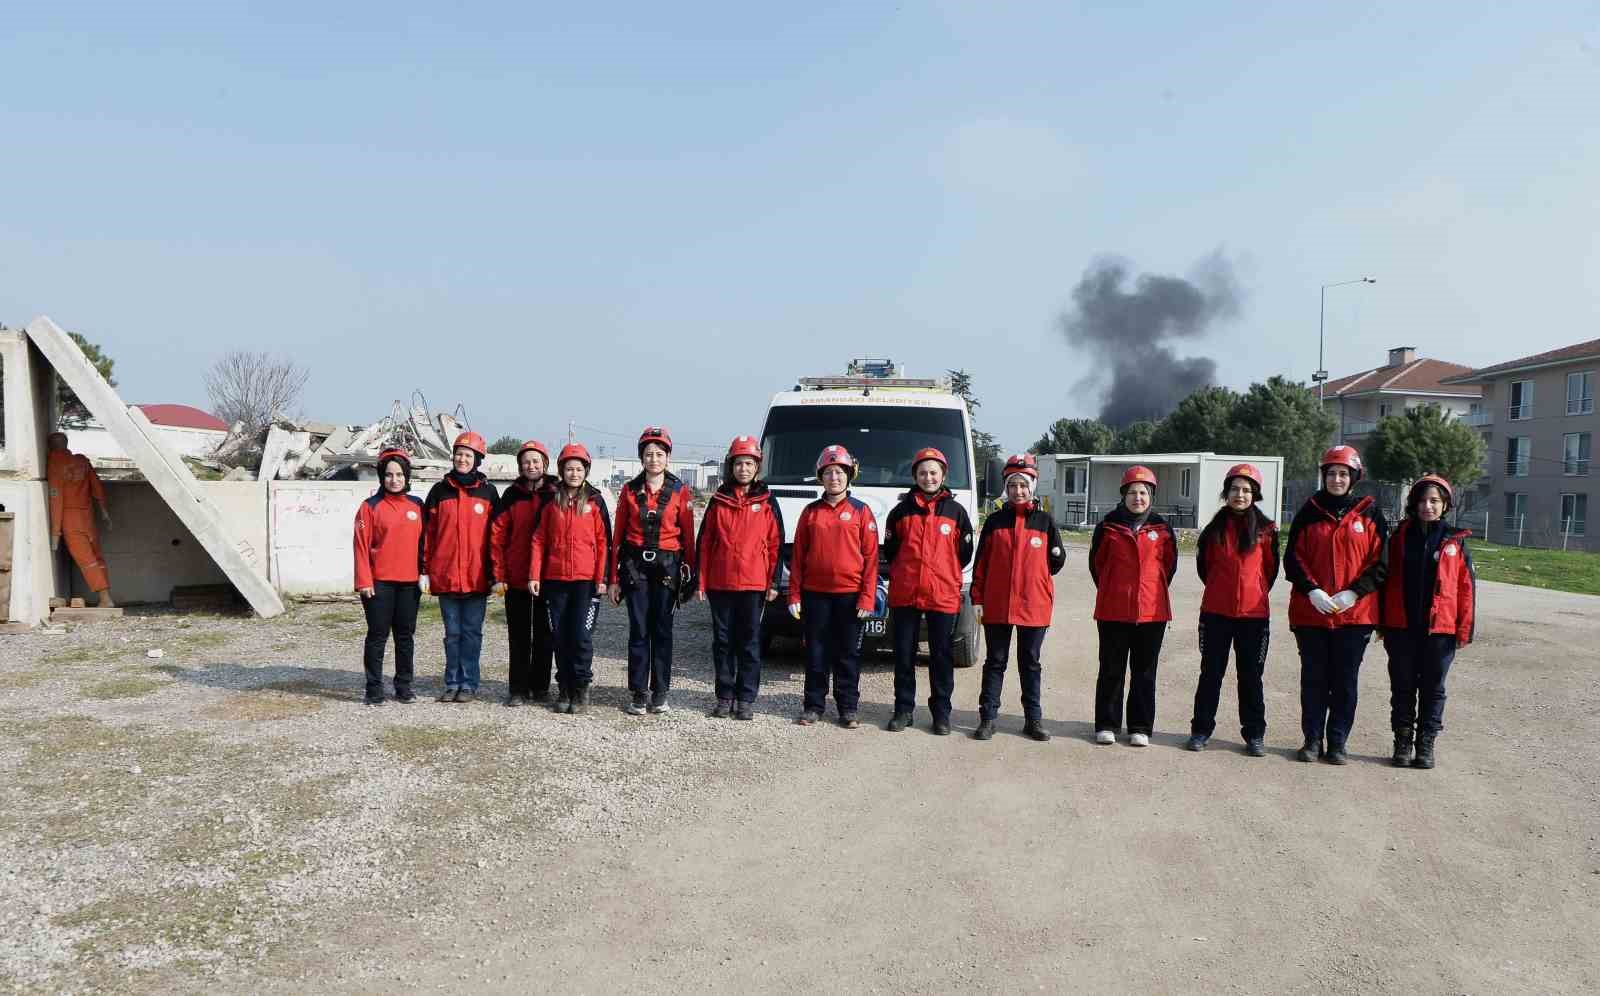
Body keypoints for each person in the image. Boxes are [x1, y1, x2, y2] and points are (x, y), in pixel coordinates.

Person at [1283, 445, 1389, 765]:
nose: (1337, 479)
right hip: (1311, 614)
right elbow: (1293, 558)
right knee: (1314, 679)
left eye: (1343, 474)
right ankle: (1312, 740)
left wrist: (1354, 593)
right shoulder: (1309, 511)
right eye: (1331, 473)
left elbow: (1381, 563)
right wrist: (1311, 590)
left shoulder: (1370, 513)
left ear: (1354, 477)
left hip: (1355, 616)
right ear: (1324, 476)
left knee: (1344, 681)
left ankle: (1338, 741)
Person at [1379, 474, 1475, 770]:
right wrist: (1382, 621)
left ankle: (1426, 744)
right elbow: (1384, 579)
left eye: (1434, 501)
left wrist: (1464, 628)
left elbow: (1466, 587)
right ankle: (1403, 742)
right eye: (1421, 500)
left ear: (1445, 504)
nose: (1427, 506)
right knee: (1403, 686)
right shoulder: (1399, 538)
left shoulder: (1455, 541)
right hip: (1402, 627)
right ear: (1413, 503)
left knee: (1434, 688)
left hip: (1440, 630)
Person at [970, 454, 1065, 742]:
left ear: (1032, 486)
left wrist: (1035, 581)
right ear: (1006, 488)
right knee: (995, 661)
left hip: (1033, 605)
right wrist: (977, 598)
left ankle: (1033, 720)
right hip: (997, 604)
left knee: (1030, 663)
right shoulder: (995, 521)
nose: (1018, 491)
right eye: (1013, 485)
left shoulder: (1045, 521)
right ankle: (988, 718)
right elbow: (981, 563)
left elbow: (1057, 560)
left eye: (1023, 485)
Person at [1186, 463, 1279, 756]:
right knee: (1210, 674)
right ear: (1226, 492)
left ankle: (1254, 735)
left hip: (1253, 617)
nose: (1240, 495)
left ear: (1255, 495)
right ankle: (1200, 731)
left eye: (1246, 490)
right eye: (1235, 489)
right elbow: (1205, 569)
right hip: (1216, 614)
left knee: (1251, 676)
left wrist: (1252, 594)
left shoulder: (1267, 531)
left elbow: (1271, 571)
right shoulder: (1212, 530)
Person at [882, 446, 975, 735]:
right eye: (922, 472)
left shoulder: (956, 512)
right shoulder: (899, 513)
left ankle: (941, 715)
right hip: (906, 593)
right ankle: (903, 710)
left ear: (943, 474)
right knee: (904, 655)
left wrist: (943, 574)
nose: (928, 477)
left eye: (933, 472)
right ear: (915, 476)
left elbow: (964, 553)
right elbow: (892, 551)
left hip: (942, 594)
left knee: (941, 656)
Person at [788, 444, 878, 729]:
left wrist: (867, 598)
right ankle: (813, 705)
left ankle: (848, 708)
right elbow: (798, 557)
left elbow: (871, 560)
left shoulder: (862, 512)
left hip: (850, 598)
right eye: (828, 472)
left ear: (849, 475)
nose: (834, 477)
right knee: (816, 653)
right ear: (820, 477)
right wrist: (794, 594)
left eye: (839, 472)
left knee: (847, 655)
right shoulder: (810, 513)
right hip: (815, 596)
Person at [609, 427, 697, 715]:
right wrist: (613, 579)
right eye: (648, 454)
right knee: (639, 631)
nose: (654, 459)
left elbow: (688, 538)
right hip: (636, 568)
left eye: (659, 454)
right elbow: (617, 537)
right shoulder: (629, 490)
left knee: (662, 632)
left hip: (668, 568)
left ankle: (660, 692)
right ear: (641, 458)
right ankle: (638, 692)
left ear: (668, 458)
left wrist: (691, 577)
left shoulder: (680, 491)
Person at [1089, 465, 1178, 747]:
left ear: (1151, 495)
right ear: (1123, 495)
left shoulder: (1163, 529)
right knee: (1111, 669)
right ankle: (1107, 724)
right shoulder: (1107, 526)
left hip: (1152, 612)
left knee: (1144, 672)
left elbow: (1169, 566)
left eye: (1143, 492)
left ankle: (1140, 726)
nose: (1137, 497)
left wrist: (1148, 592)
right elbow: (1097, 566)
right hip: (1113, 610)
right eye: (1132, 492)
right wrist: (1115, 590)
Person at [695, 435, 782, 720]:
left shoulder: (768, 502)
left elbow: (776, 544)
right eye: (739, 463)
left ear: (757, 466)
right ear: (730, 466)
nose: (743, 468)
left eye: (749, 463)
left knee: (749, 642)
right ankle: (724, 695)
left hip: (754, 585)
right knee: (722, 642)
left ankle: (745, 698)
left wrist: (772, 583)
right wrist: (701, 581)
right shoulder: (718, 501)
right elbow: (705, 543)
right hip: (721, 585)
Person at [529, 443, 611, 715]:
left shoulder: (595, 502)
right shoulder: (551, 502)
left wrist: (602, 578)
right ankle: (564, 687)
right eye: (568, 468)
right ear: (561, 471)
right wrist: (535, 575)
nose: (573, 473)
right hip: (555, 580)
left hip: (585, 583)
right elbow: (539, 540)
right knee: (560, 636)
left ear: (585, 471)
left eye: (578, 469)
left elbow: (603, 543)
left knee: (581, 636)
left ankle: (580, 687)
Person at [423, 431, 499, 703]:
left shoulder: (489, 492)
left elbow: (496, 537)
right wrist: (424, 571)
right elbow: (428, 535)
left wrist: (495, 575)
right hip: (446, 577)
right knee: (452, 634)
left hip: (477, 578)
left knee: (471, 633)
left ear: (477, 459)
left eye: (468, 455)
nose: (462, 459)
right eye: (459, 454)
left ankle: (469, 683)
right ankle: (452, 682)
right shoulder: (438, 491)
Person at [353, 448, 424, 705]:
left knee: (405, 636)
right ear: (382, 476)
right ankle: (374, 688)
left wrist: (424, 573)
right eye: (389, 475)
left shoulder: (417, 505)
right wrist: (364, 580)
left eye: (399, 474)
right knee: (377, 635)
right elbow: (360, 545)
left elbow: (424, 544)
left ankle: (404, 686)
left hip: (409, 584)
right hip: (379, 584)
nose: (394, 480)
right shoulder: (370, 507)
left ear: (407, 476)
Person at [489, 440, 557, 706]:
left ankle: (540, 686)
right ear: (520, 466)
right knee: (518, 635)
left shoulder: (556, 493)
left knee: (544, 634)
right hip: (516, 575)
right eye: (526, 462)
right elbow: (497, 536)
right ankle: (517, 688)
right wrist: (499, 574)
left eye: (536, 461)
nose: (531, 465)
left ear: (545, 464)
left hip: (547, 577)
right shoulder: (511, 496)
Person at [45, 432, 115, 607]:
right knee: (97, 557)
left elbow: (56, 497)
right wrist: (104, 511)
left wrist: (55, 534)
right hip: (87, 516)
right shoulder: (82, 460)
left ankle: (105, 599)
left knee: (86, 559)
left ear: (50, 446)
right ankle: (106, 597)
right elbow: (96, 485)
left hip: (70, 518)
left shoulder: (55, 462)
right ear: (66, 444)